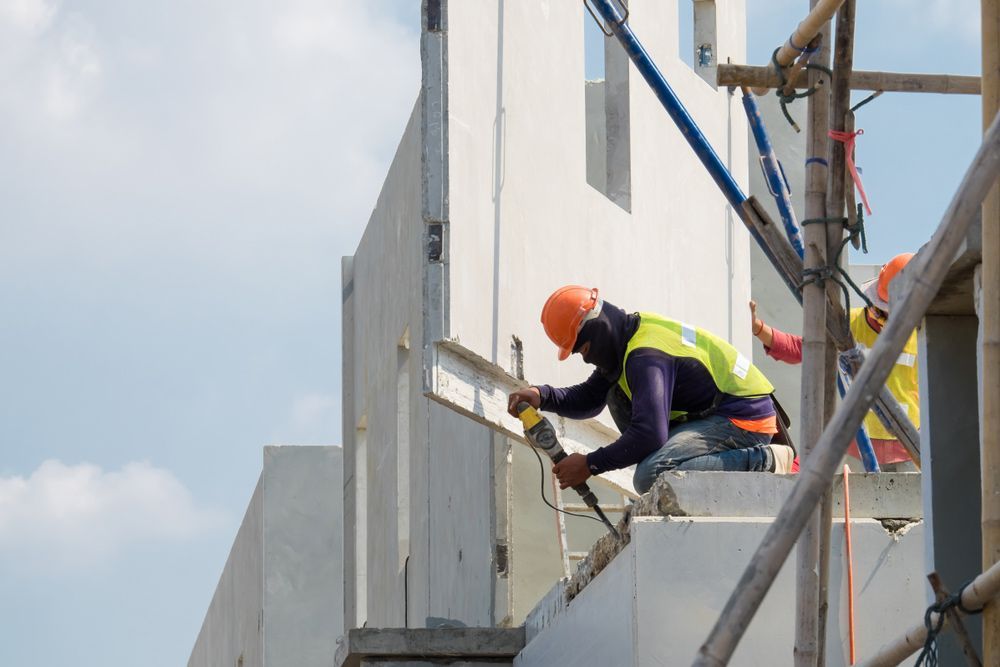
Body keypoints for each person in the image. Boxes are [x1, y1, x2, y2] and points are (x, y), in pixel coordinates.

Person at [507, 285, 795, 495]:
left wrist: (590, 464)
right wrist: (541, 395)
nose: (585, 358)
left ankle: (765, 460)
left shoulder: (645, 356)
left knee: (652, 475)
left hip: (744, 417)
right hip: (720, 412)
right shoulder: (625, 339)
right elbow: (590, 398)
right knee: (614, 394)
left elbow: (649, 433)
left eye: (583, 349)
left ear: (597, 329)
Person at [749, 252, 919, 472]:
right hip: (858, 446)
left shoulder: (920, 329)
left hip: (907, 448)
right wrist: (758, 328)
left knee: (914, 507)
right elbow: (803, 348)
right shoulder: (848, 326)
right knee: (853, 506)